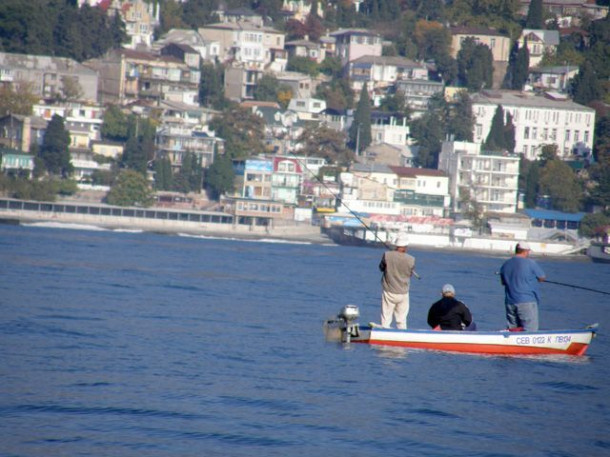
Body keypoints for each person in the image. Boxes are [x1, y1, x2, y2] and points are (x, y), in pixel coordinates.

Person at [499, 242, 546, 331]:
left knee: (512, 331)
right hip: (527, 301)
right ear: (525, 252)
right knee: (530, 331)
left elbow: (503, 282)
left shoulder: (505, 264)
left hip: (510, 302)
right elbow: (542, 277)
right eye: (528, 251)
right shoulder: (530, 263)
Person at [379, 234, 415, 329]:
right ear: (406, 247)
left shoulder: (387, 255)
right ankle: (402, 336)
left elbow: (381, 268)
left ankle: (384, 335)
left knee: (386, 319)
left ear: (396, 245)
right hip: (403, 293)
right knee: (402, 320)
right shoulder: (411, 259)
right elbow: (410, 274)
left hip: (389, 291)